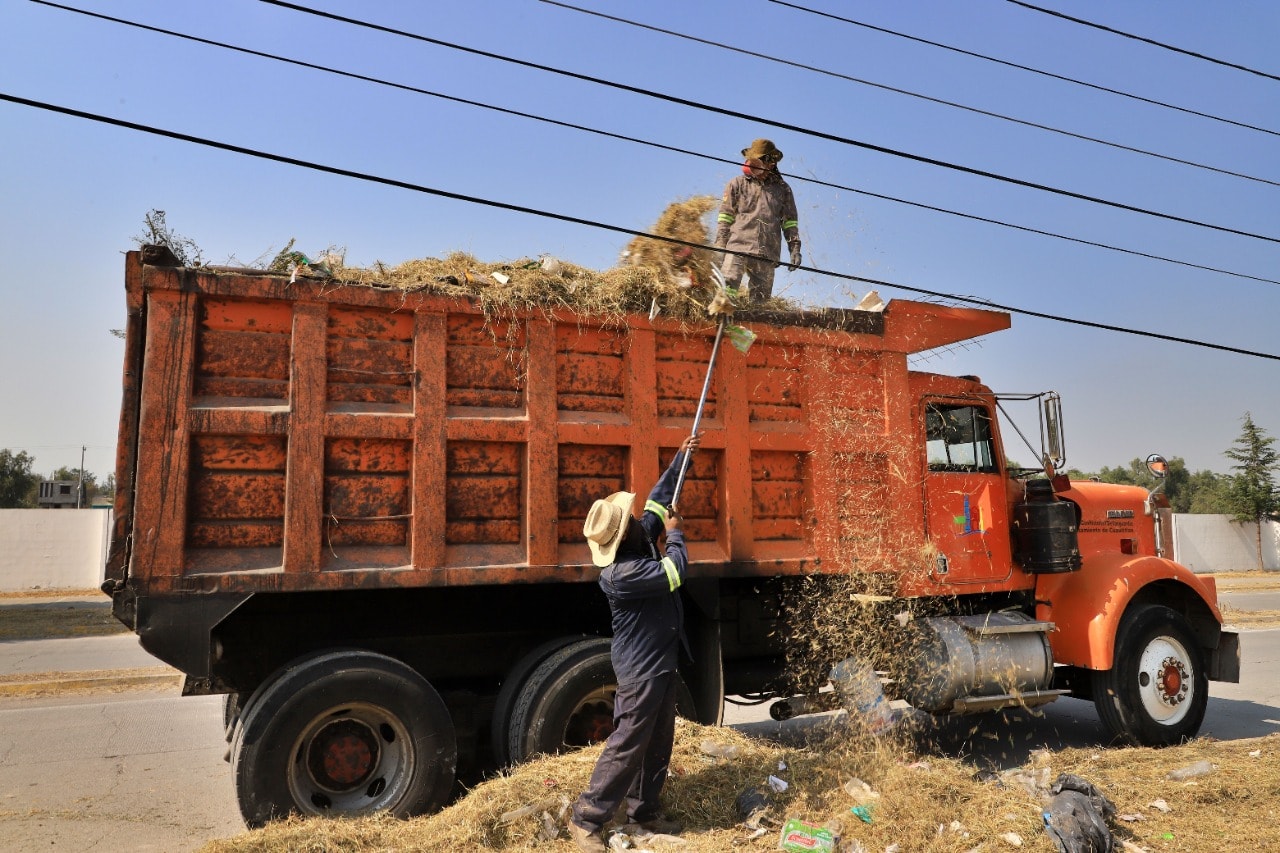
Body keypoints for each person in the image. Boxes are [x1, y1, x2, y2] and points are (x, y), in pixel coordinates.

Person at [569, 433, 701, 853]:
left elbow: (661, 503)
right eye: (632, 518)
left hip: (659, 660)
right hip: (641, 668)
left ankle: (643, 813)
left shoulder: (637, 536)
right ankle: (586, 819)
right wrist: (677, 535)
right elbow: (676, 570)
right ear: (622, 533)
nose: (639, 519)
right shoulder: (620, 575)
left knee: (659, 739)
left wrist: (682, 459)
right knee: (627, 743)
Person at [713, 138, 802, 304]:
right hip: (737, 247)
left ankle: (751, 327)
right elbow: (725, 217)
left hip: (767, 252)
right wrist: (720, 245)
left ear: (771, 163)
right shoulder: (737, 184)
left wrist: (794, 249)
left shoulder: (783, 190)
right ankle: (722, 324)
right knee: (726, 293)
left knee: (760, 304)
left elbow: (790, 223)